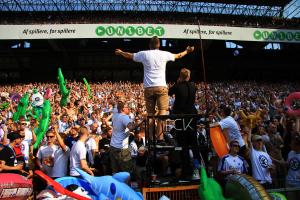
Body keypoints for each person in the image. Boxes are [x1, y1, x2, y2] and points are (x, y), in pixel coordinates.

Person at [115, 36, 194, 142]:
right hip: (161, 87)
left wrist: (120, 52)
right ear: (159, 45)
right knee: (162, 112)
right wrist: (187, 51)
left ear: (149, 45)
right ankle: (160, 138)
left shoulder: (144, 54)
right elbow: (178, 55)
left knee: (150, 115)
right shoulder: (164, 54)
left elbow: (129, 55)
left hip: (148, 88)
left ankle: (151, 138)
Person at [168, 68, 199, 178]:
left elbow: (168, 92)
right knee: (194, 144)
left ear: (180, 76)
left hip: (181, 118)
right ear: (189, 77)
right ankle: (197, 169)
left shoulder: (178, 86)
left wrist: (178, 83)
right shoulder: (193, 87)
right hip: (192, 117)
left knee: (183, 146)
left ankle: (186, 172)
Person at [109, 100, 138, 174]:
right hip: (121, 148)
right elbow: (131, 127)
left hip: (113, 146)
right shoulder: (124, 117)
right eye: (127, 107)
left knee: (115, 171)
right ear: (122, 109)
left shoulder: (115, 114)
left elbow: (115, 105)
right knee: (126, 172)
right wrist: (139, 122)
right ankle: (126, 185)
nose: (129, 109)